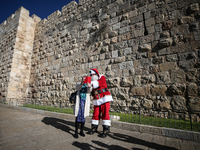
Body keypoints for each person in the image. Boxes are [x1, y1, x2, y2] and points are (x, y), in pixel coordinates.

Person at [89, 68, 113, 137]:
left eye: (93, 74)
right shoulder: (91, 81)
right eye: (91, 75)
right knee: (95, 114)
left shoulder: (101, 77)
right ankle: (94, 128)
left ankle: (106, 130)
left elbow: (98, 83)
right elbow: (90, 90)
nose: (92, 76)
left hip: (104, 98)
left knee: (105, 113)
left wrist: (91, 84)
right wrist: (88, 86)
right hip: (96, 99)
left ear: (96, 74)